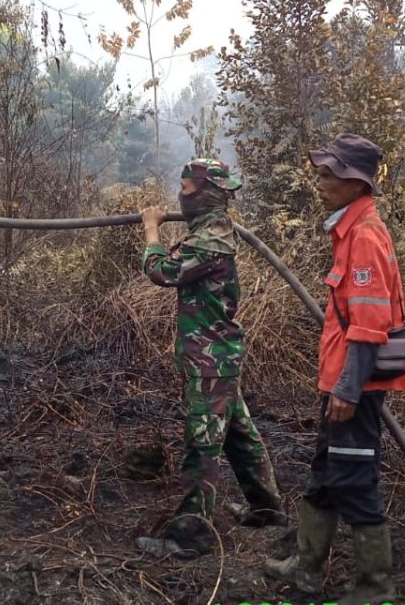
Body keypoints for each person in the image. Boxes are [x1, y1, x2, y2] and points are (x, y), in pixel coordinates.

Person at [266, 133, 405, 604]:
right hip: (343, 380)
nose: (321, 181)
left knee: (353, 478)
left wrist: (348, 390)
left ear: (355, 182)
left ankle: (374, 586)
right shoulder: (351, 230)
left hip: (357, 385)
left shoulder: (365, 237)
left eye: (330, 174)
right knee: (326, 471)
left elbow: (370, 326)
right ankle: (306, 567)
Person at [135, 158, 285, 559]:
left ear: (203, 195)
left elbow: (161, 272)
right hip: (216, 356)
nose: (179, 197)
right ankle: (268, 510)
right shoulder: (209, 229)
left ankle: (190, 537)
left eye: (185, 189)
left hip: (210, 359)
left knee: (202, 444)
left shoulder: (210, 239)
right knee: (238, 434)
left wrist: (151, 230)